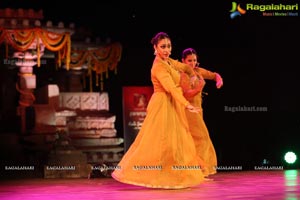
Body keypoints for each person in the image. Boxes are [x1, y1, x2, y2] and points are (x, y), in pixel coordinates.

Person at [112, 32, 206, 189]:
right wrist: (185, 103)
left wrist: (192, 73)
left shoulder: (168, 61)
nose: (167, 50)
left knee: (177, 141)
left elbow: (182, 66)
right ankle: (139, 173)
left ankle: (176, 175)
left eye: (169, 46)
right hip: (163, 104)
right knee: (157, 142)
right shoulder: (158, 67)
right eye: (163, 47)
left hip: (172, 104)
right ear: (155, 48)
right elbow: (170, 88)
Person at [180, 47, 223, 177]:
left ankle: (195, 170)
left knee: (196, 140)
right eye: (189, 61)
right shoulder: (183, 75)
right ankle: (200, 169)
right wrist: (199, 88)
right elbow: (185, 95)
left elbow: (213, 74)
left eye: (194, 60)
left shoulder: (198, 71)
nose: (192, 63)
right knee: (202, 138)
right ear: (183, 61)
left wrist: (219, 79)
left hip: (199, 111)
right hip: (189, 111)